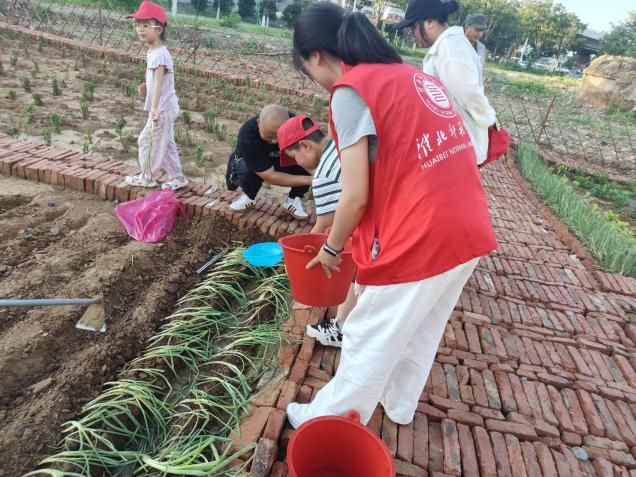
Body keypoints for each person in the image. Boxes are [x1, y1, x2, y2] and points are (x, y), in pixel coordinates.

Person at [286, 2, 497, 428]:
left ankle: (324, 421)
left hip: (423, 232)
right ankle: (399, 406)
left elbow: (355, 196)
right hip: (469, 226)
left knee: (367, 332)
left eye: (308, 71)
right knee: (420, 329)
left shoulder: (351, 91)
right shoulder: (410, 75)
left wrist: (331, 248)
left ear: (316, 57)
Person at [276, 114, 356, 347]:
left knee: (358, 266)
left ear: (305, 146)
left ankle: (344, 331)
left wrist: (296, 262)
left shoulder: (324, 175)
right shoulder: (340, 144)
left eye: (295, 157)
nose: (298, 164)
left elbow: (323, 228)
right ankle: (343, 324)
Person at [395, 0, 497, 166]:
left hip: (458, 146)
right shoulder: (447, 45)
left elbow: (469, 93)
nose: (412, 33)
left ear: (430, 22)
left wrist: (489, 119)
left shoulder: (450, 47)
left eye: (413, 27)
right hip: (452, 143)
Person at [124, 1, 188, 191]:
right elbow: (156, 81)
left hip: (162, 110)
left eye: (145, 25)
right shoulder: (154, 51)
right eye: (137, 25)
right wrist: (147, 88)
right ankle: (178, 177)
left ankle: (147, 177)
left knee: (146, 140)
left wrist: (153, 109)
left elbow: (159, 83)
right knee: (166, 145)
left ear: (158, 29)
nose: (140, 29)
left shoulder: (159, 54)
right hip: (165, 107)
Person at [225, 105, 312, 219]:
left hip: (277, 158)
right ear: (258, 123)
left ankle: (293, 199)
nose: (275, 141)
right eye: (269, 136)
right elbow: (270, 176)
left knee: (307, 159)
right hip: (250, 160)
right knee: (247, 171)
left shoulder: (295, 125)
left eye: (278, 136)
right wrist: (311, 180)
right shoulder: (247, 135)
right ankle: (248, 196)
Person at [464, 13, 488, 78]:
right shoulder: (455, 44)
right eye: (477, 29)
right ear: (467, 27)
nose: (479, 33)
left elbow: (481, 71)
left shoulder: (481, 48)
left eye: (482, 30)